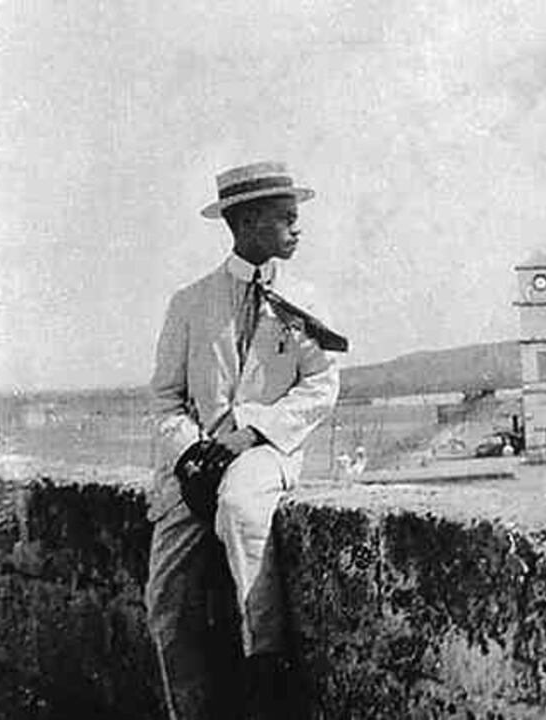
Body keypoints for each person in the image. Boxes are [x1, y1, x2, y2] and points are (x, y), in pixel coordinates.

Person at [145, 161, 344, 720]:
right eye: (285, 217)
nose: (297, 228)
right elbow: (164, 398)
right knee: (166, 602)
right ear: (247, 222)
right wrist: (191, 452)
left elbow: (321, 385)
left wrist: (252, 432)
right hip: (194, 464)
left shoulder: (303, 302)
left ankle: (266, 662)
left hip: (264, 452)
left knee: (240, 507)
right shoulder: (190, 303)